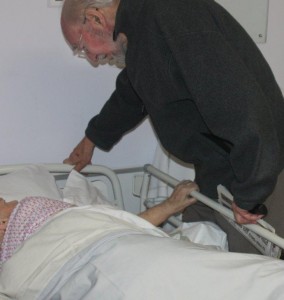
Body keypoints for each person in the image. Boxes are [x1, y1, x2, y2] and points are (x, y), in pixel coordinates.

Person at [60, 0, 284, 253]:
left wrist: (251, 194)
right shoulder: (142, 32)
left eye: (81, 47)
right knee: (195, 255)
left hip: (261, 169)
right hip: (221, 172)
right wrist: (93, 138)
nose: (92, 58)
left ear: (95, 18)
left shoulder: (170, 13)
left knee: (252, 275)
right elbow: (132, 92)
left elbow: (240, 104)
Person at [0, 180, 198, 266]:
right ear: (2, 223)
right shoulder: (13, 261)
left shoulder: (41, 214)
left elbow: (106, 228)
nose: (12, 200)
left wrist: (169, 206)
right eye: (3, 202)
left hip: (112, 246)